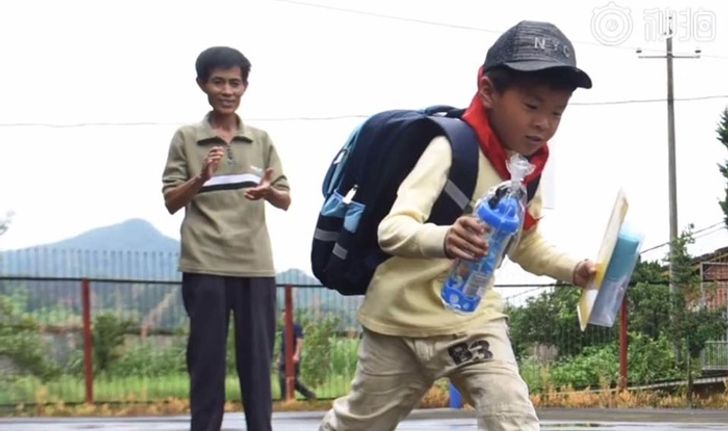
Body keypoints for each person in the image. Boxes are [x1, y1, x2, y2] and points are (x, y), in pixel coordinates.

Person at [319, 21, 597, 431]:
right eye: (532, 106)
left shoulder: (530, 171)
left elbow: (524, 244)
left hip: (471, 323)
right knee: (356, 425)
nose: (544, 123)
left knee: (512, 417)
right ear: (488, 91)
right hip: (398, 324)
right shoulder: (451, 148)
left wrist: (573, 269)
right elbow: (392, 230)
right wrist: (445, 237)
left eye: (557, 112)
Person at [162, 46, 290, 431]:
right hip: (204, 264)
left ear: (245, 86)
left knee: (257, 365)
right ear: (203, 84)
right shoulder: (186, 138)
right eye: (218, 81)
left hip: (255, 266)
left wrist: (268, 192)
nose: (227, 89)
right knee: (206, 365)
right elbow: (170, 201)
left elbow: (285, 198)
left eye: (235, 82)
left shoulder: (261, 140)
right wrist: (200, 178)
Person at [278, 309, 317, 401]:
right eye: (283, 316)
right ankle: (284, 399)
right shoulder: (284, 328)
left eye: (286, 316)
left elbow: (300, 341)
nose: (284, 318)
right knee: (282, 377)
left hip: (292, 356)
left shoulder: (296, 327)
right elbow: (283, 345)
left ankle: (310, 395)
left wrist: (296, 355)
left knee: (292, 379)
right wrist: (279, 358)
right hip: (285, 357)